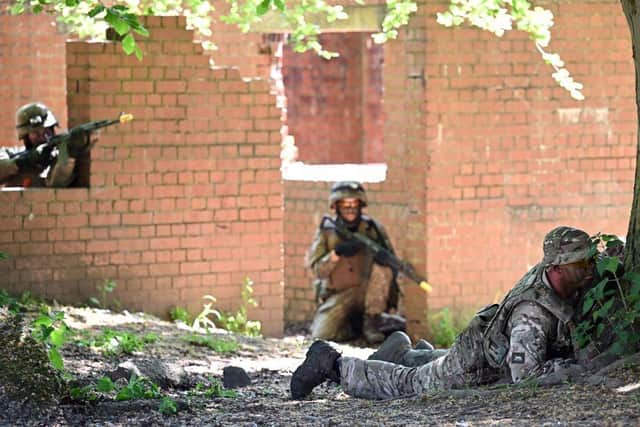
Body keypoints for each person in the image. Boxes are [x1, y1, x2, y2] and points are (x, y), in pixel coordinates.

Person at [291, 225, 596, 400]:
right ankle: (333, 363)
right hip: (473, 363)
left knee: (427, 369)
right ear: (556, 268)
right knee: (409, 385)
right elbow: (524, 377)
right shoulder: (532, 315)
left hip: (483, 346)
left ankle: (409, 354)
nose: (589, 269)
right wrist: (571, 369)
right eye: (580, 264)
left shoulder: (560, 277)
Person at [305, 181, 404, 344]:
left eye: (354, 204)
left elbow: (391, 263)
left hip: (368, 293)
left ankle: (372, 320)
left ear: (360, 205)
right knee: (321, 336)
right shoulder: (327, 231)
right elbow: (318, 271)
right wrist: (336, 254)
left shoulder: (372, 229)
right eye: (345, 204)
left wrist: (380, 258)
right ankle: (353, 328)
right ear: (336, 206)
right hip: (340, 294)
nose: (350, 209)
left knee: (383, 268)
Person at [0, 102, 76, 188]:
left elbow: (57, 184)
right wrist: (24, 162)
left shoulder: (57, 158)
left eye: (47, 131)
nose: (43, 137)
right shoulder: (11, 154)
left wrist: (67, 151)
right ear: (26, 136)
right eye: (35, 133)